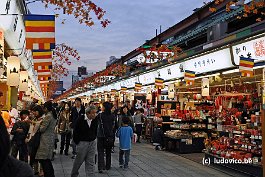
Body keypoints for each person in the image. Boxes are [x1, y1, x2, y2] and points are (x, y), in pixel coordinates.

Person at [71, 105, 98, 177]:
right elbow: (75, 132)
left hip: (92, 143)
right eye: (93, 113)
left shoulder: (95, 119)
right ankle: (74, 174)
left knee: (91, 162)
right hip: (82, 143)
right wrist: (78, 143)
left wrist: (94, 138)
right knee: (78, 161)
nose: (95, 114)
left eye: (95, 113)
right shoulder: (80, 119)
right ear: (88, 113)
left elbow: (95, 130)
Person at [35, 101, 57, 177]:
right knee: (47, 159)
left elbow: (42, 129)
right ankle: (51, 174)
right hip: (50, 138)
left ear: (46, 108)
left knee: (44, 160)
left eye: (44, 108)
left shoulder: (48, 116)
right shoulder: (53, 115)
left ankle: (48, 175)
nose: (43, 110)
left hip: (45, 140)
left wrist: (40, 124)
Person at [97, 102, 115, 173]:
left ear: (104, 107)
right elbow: (114, 126)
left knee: (100, 152)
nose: (101, 107)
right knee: (108, 152)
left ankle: (101, 167)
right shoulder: (112, 116)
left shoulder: (100, 115)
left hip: (101, 136)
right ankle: (108, 166)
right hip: (109, 136)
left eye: (102, 106)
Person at [27, 105, 44, 175]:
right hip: (33, 139)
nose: (34, 113)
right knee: (33, 155)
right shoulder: (35, 118)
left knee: (39, 155)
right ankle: (35, 169)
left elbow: (38, 125)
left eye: (35, 111)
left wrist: (31, 122)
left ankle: (42, 170)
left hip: (39, 139)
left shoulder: (42, 118)